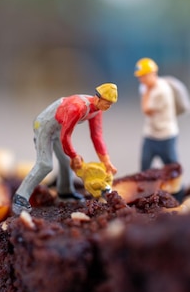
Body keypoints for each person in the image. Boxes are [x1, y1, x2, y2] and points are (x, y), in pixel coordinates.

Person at [12, 83, 119, 214]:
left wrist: (106, 161)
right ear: (98, 98)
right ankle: (20, 197)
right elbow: (66, 136)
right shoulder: (77, 107)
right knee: (45, 164)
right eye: (107, 103)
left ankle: (65, 192)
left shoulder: (97, 111)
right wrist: (74, 155)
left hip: (58, 128)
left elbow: (97, 136)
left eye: (111, 104)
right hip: (45, 125)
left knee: (67, 162)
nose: (108, 107)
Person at [134, 58, 179, 171]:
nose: (141, 80)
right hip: (150, 134)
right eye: (140, 77)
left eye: (144, 76)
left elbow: (146, 110)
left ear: (153, 74)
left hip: (165, 135)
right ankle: (145, 188)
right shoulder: (145, 87)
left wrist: (146, 92)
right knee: (145, 166)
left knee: (172, 169)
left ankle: (179, 189)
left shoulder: (162, 91)